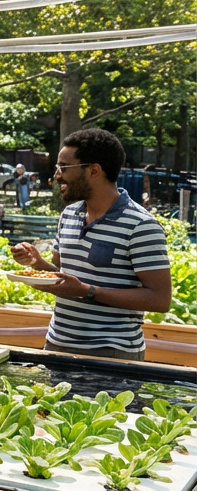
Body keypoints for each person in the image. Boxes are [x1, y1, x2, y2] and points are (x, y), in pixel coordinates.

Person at [12, 129, 171, 360]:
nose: (57, 175)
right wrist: (37, 263)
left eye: (64, 167)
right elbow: (61, 275)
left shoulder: (141, 225)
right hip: (57, 343)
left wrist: (88, 292)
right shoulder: (68, 214)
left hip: (112, 352)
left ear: (93, 170)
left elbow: (160, 299)